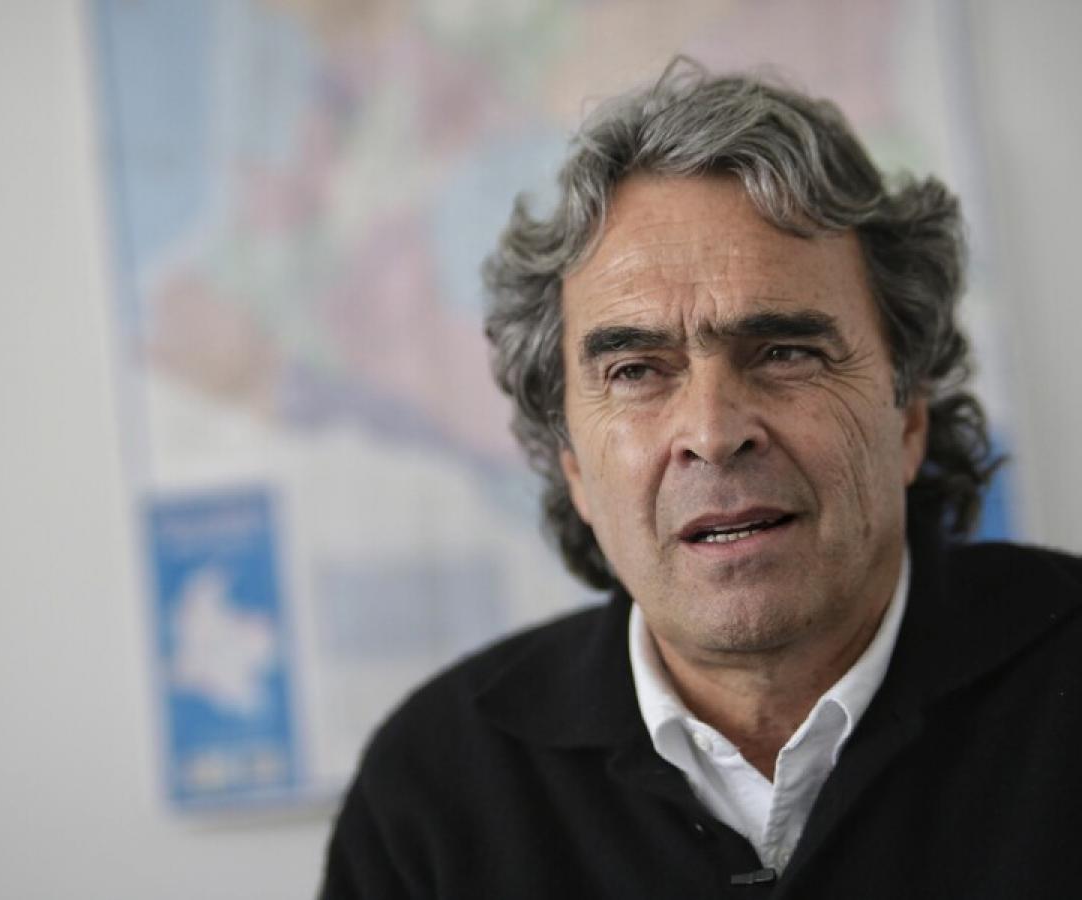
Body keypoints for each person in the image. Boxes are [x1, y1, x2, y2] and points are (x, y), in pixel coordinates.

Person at [319, 59, 1082, 899]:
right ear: (572, 462)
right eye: (637, 371)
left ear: (909, 416)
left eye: (785, 353)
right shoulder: (433, 792)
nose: (714, 436)